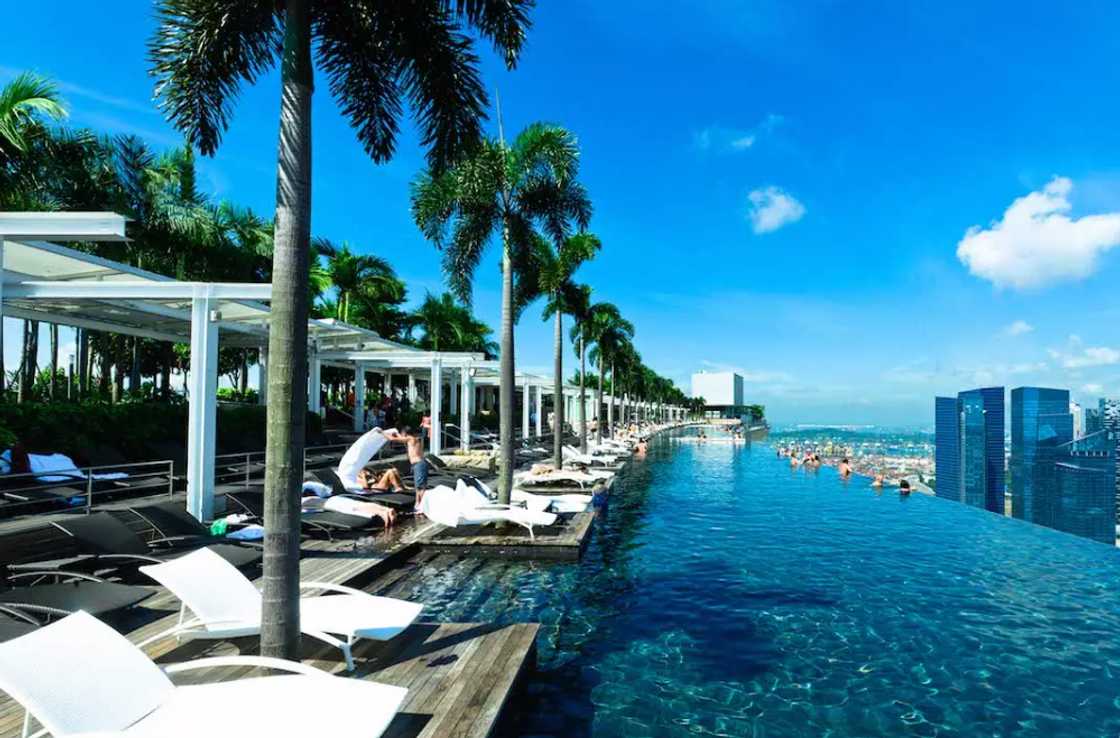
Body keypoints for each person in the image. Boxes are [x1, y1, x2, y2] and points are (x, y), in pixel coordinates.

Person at [384, 425, 429, 502]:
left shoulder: (410, 438)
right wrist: (397, 433)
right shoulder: (413, 438)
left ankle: (422, 506)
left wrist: (381, 432)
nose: (401, 434)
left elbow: (392, 439)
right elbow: (400, 437)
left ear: (405, 433)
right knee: (418, 487)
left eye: (402, 433)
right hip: (418, 464)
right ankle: (417, 504)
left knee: (420, 487)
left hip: (419, 464)